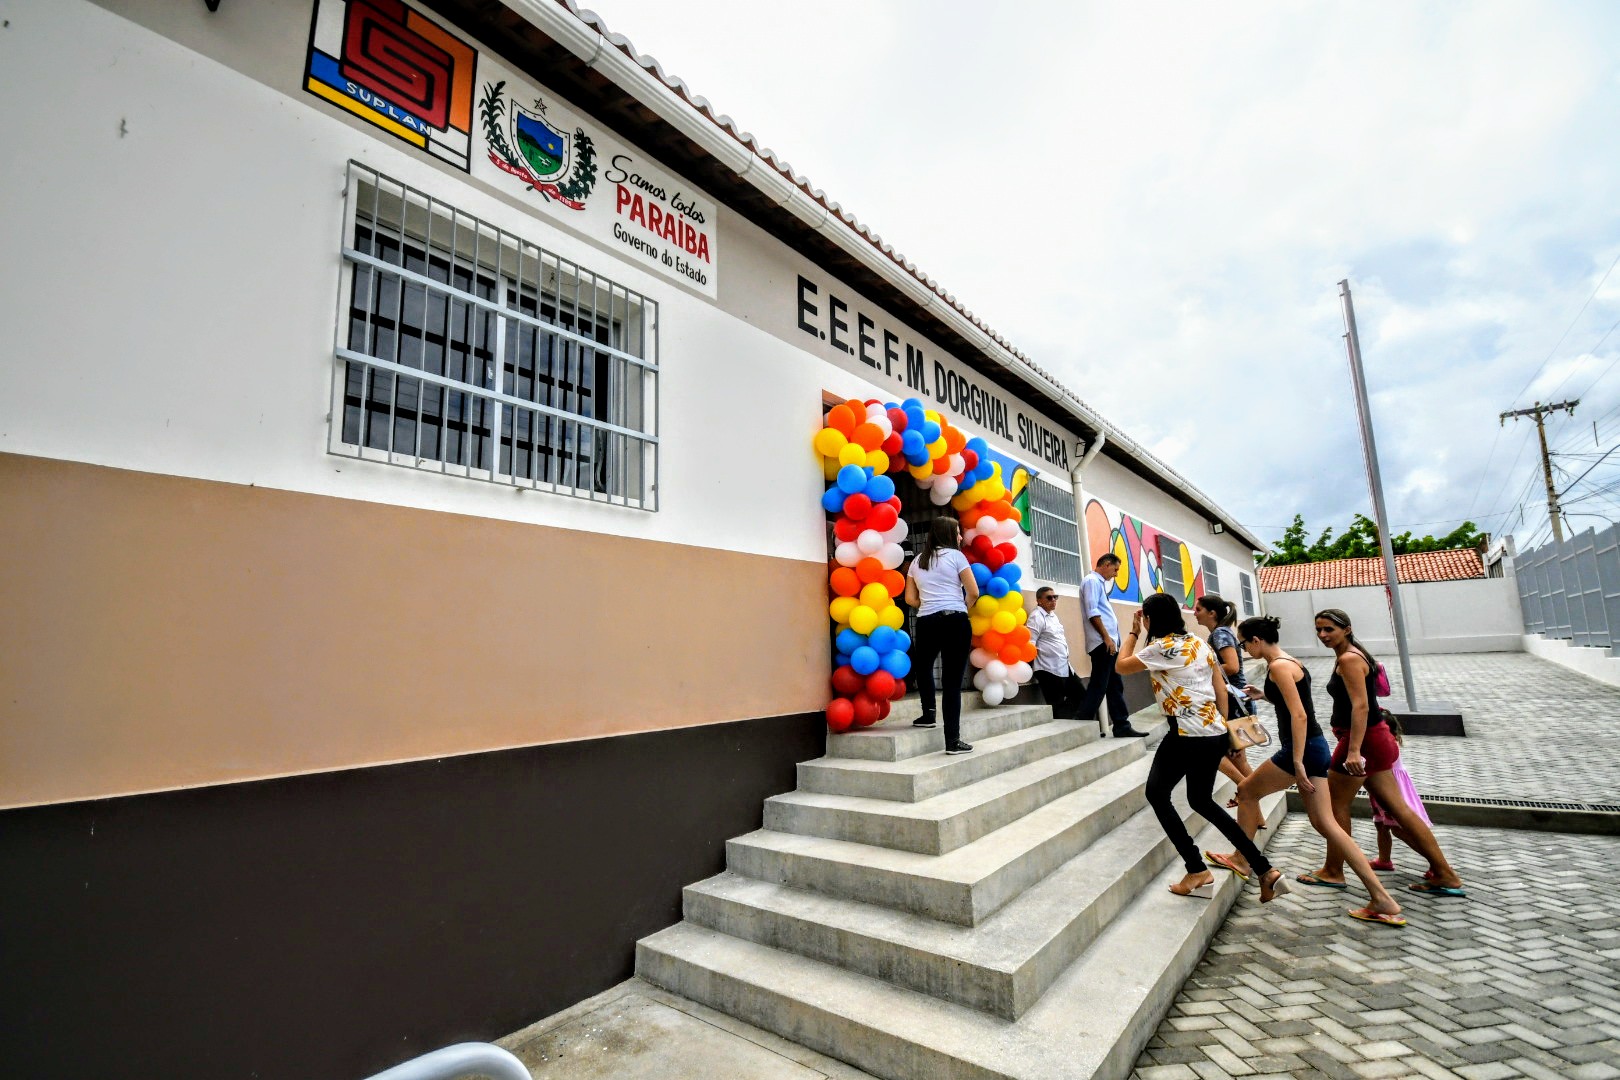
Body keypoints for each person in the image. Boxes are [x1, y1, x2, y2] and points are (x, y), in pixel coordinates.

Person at [1206, 615, 1407, 927]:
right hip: (1315, 748)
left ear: (1257, 640)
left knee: (1247, 791)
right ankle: (1381, 897)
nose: (1244, 650)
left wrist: (1297, 763)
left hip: (1301, 750)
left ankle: (1242, 859)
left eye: (1244, 644)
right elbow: (1295, 703)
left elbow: (1299, 715)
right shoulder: (1289, 662)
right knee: (1326, 823)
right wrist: (1265, 695)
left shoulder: (1277, 666)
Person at [1116, 592, 1289, 901]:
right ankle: (1264, 869)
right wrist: (1224, 730)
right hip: (1212, 731)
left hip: (1185, 732)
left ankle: (1197, 869)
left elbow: (1122, 666)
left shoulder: (1162, 647)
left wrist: (1133, 631)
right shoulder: (1198, 642)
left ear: (1151, 619)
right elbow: (1219, 688)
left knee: (1157, 793)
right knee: (1201, 800)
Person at [1307, 608, 1465, 898]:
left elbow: (1361, 706)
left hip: (1364, 740)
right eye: (1318, 630)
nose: (1322, 635)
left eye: (1329, 629)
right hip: (1375, 738)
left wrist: (1353, 750)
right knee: (1399, 809)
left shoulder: (1350, 658)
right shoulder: (1354, 655)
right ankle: (1445, 872)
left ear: (1347, 629)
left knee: (1335, 806)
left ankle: (1333, 870)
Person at [904, 517, 981, 755]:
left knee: (924, 667)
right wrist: (961, 607)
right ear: (948, 534)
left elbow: (909, 599)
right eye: (957, 533)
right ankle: (952, 741)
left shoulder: (918, 560)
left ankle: (928, 714)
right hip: (954, 620)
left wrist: (927, 605)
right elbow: (974, 591)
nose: (960, 537)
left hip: (927, 621)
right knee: (951, 683)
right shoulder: (957, 557)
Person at [1076, 554, 1147, 738]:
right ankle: (1080, 724)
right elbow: (1093, 613)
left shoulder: (1098, 583)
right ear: (1106, 565)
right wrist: (1107, 638)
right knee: (1099, 685)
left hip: (1109, 643)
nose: (1115, 574)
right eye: (1115, 569)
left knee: (1115, 685)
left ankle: (1121, 725)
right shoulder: (1091, 581)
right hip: (1102, 643)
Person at [1193, 594, 1254, 792]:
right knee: (1236, 758)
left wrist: (1202, 671)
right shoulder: (1220, 633)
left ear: (1212, 613)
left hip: (1234, 702)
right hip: (1235, 700)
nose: (1195, 613)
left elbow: (1232, 666)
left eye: (1198, 609)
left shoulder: (1220, 634)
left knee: (1237, 758)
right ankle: (1254, 804)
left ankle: (1254, 797)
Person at [1028, 586, 1083, 719]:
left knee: (1081, 696)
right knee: (1056, 703)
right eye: (1049, 597)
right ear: (1039, 600)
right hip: (1048, 668)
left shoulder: (1052, 616)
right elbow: (1030, 642)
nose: (1053, 600)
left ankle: (1070, 722)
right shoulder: (1036, 616)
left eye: (1055, 597)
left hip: (1063, 665)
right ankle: (1063, 727)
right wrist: (1030, 666)